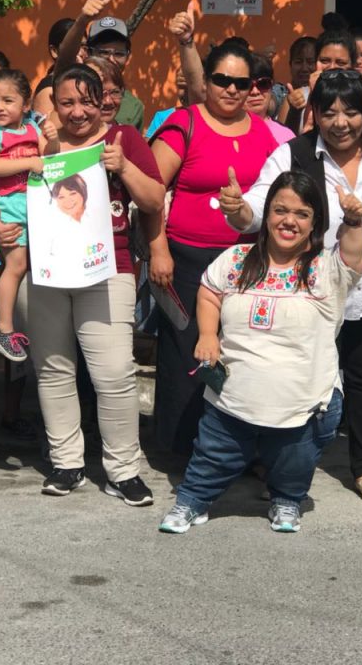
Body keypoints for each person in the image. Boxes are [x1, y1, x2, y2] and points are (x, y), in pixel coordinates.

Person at [222, 68, 362, 504]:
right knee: (296, 377)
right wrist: (237, 209)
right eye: (329, 112)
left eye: (350, 112)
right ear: (314, 113)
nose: (340, 123)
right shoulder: (293, 154)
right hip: (306, 292)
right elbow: (259, 206)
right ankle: (282, 469)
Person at [158, 172, 362, 533]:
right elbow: (209, 292)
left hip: (301, 402)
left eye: (302, 214)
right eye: (280, 210)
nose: (289, 221)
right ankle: (192, 501)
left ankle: (287, 499)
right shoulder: (236, 258)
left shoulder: (327, 268)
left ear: (315, 222)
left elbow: (352, 253)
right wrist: (207, 335)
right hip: (233, 398)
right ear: (266, 214)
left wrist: (353, 221)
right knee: (212, 455)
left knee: (293, 461)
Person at [29, 64, 164, 502]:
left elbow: (153, 200)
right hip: (48, 270)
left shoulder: (124, 138)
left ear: (103, 100)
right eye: (66, 102)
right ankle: (66, 464)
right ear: (54, 104)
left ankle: (123, 470)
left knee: (115, 372)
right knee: (53, 370)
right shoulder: (40, 142)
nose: (77, 112)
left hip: (109, 269)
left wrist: (123, 167)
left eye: (86, 101)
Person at [145, 40, 278, 454]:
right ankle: (180, 448)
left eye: (243, 82)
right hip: (186, 259)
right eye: (222, 80)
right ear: (206, 80)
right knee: (186, 353)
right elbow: (150, 195)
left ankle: (235, 449)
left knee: (240, 352)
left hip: (245, 261)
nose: (232, 89)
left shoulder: (262, 131)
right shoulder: (184, 123)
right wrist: (158, 249)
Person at [0, 68, 56, 362]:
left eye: (7, 100)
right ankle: (4, 328)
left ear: (25, 104)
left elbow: (50, 157)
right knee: (16, 265)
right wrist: (30, 162)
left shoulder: (33, 128)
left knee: (0, 269)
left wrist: (52, 139)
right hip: (7, 206)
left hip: (32, 206)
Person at [84, 14, 144, 130]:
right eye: (104, 52)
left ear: (128, 57)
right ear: (88, 53)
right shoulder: (72, 92)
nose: (111, 60)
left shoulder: (134, 107)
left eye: (119, 54)